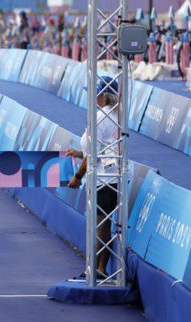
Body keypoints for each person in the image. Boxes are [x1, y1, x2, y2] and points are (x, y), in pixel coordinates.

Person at [66, 78, 120, 280]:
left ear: (104, 95)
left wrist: (77, 175)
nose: (92, 97)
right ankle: (98, 268)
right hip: (110, 175)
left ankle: (97, 269)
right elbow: (102, 149)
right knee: (103, 225)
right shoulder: (115, 115)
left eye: (94, 93)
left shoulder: (100, 117)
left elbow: (93, 154)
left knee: (100, 226)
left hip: (103, 178)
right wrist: (80, 154)